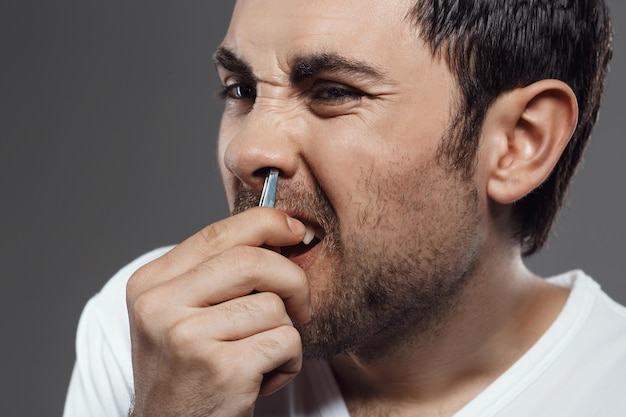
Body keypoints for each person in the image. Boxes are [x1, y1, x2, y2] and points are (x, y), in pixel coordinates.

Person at [64, 1, 625, 416]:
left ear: (518, 142)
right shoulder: (156, 334)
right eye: (241, 89)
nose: (246, 151)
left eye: (333, 91)